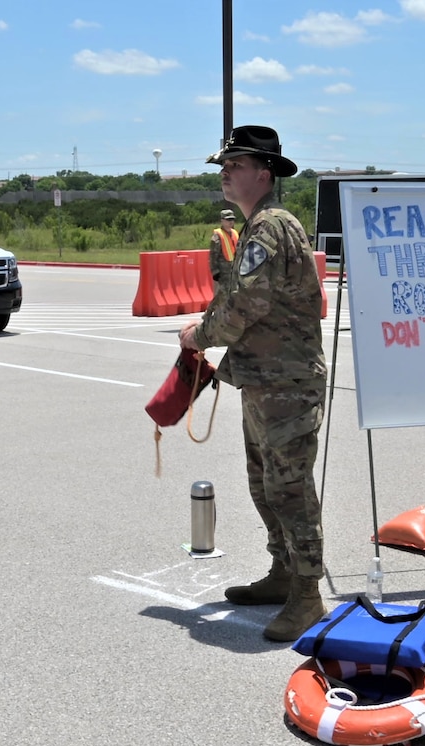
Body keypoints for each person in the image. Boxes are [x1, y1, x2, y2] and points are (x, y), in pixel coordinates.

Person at [179, 125, 327, 642]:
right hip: (268, 380)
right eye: (224, 165)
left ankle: (307, 596)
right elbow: (240, 298)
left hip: (286, 382)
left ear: (263, 173)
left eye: (235, 165)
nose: (225, 173)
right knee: (266, 484)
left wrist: (197, 335)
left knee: (289, 490)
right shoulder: (257, 227)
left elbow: (245, 305)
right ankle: (284, 573)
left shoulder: (268, 227)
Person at [209, 208, 239, 300]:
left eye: (232, 219)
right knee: (220, 298)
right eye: (228, 220)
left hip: (234, 271)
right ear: (222, 221)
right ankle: (211, 313)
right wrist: (215, 272)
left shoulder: (235, 233)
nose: (231, 222)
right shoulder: (217, 236)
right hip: (222, 273)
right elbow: (213, 256)